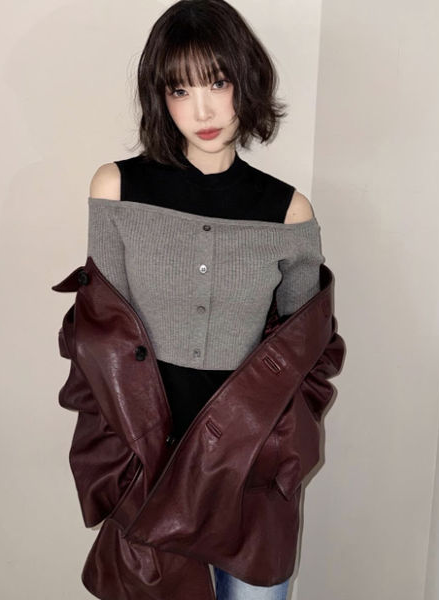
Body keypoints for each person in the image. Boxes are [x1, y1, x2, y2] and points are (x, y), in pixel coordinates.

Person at [81, 1, 325, 598]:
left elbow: (307, 353)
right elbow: (100, 334)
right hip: (152, 465)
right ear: (160, 98)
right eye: (180, 90)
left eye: (217, 82)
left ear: (247, 79)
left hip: (251, 472)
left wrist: (279, 444)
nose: (203, 110)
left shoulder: (288, 211)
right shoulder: (117, 189)